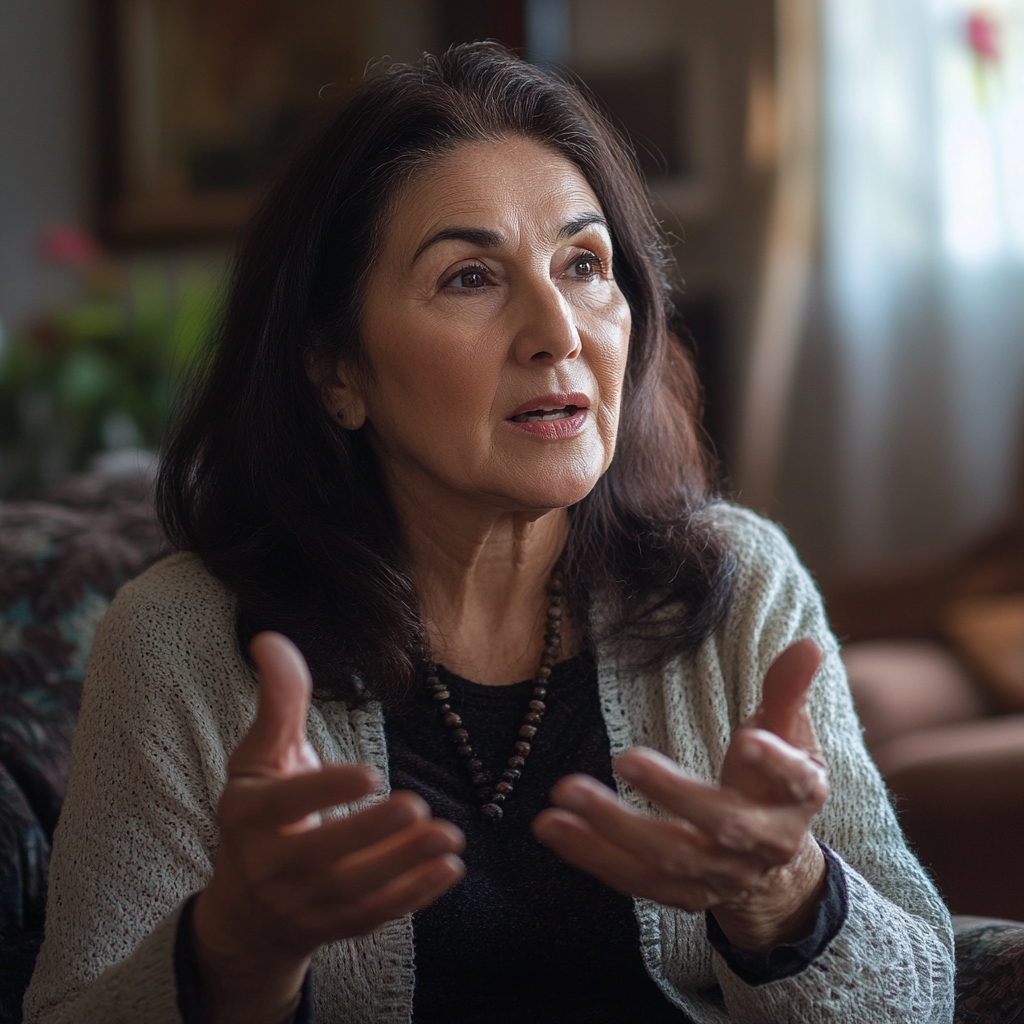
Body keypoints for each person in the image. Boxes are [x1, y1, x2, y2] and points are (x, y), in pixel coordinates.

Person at [24, 43, 953, 1024]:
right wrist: (233, 953)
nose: (557, 329)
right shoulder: (180, 639)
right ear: (335, 369)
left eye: (584, 265)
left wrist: (788, 894)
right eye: (470, 277)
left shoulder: (735, 584)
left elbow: (924, 996)